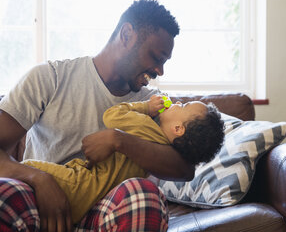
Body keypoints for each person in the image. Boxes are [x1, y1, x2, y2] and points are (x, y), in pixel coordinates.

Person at [0, 0, 194, 232]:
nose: (160, 71)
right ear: (126, 35)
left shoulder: (153, 103)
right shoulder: (50, 77)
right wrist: (39, 179)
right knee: (5, 192)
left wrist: (119, 140)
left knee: (144, 195)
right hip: (42, 207)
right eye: (156, 57)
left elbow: (184, 169)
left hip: (105, 214)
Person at [22, 94, 225, 224]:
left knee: (25, 167)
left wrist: (146, 107)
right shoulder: (162, 150)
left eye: (183, 106)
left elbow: (112, 115)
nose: (178, 102)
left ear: (178, 129)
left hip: (79, 185)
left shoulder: (145, 126)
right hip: (93, 204)